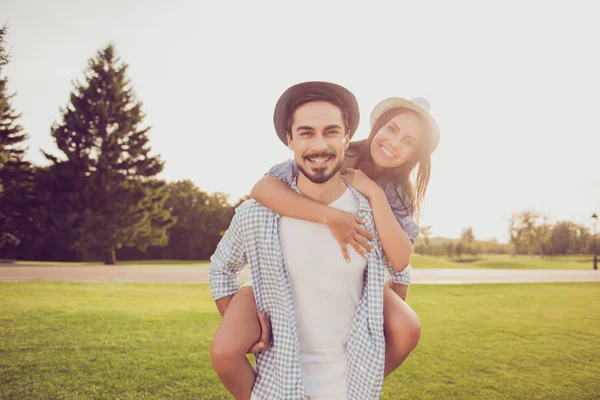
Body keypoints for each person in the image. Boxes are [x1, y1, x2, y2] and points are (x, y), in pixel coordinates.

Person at [210, 81, 424, 399]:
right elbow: (263, 190)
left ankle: (357, 379)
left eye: (408, 141)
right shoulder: (335, 154)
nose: (393, 144)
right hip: (289, 286)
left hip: (358, 289)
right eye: (391, 129)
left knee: (407, 327)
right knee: (237, 324)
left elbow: (400, 260)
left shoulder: (397, 193)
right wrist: (331, 217)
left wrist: (375, 193)